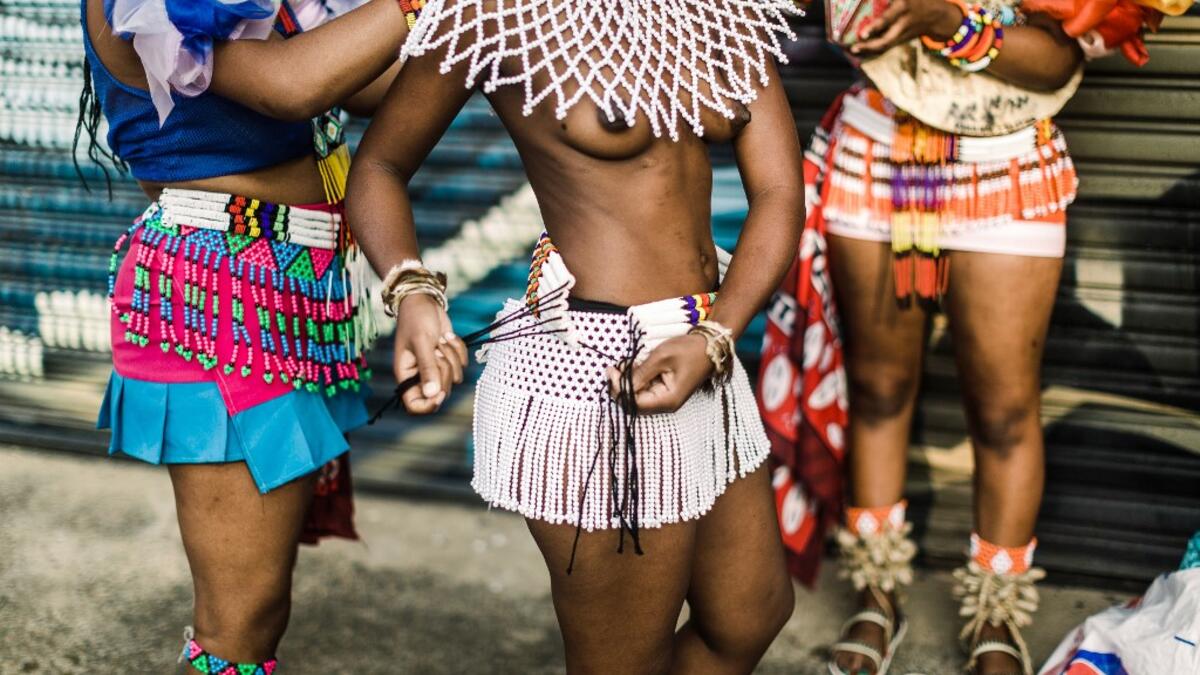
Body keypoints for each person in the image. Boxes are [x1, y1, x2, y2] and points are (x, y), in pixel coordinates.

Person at [346, 2, 807, 672]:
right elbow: (380, 165)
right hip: (600, 375)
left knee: (749, 616)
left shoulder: (722, 11)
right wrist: (413, 290)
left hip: (706, 344)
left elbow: (779, 190)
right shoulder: (494, 13)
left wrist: (715, 335)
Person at [79, 0, 410, 670]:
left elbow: (362, 82)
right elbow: (293, 84)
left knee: (257, 609)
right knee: (240, 622)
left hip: (285, 289)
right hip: (217, 296)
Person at [793, 1, 1091, 673]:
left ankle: (995, 614)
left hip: (1008, 163)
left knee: (1006, 413)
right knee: (877, 390)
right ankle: (876, 592)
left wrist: (947, 22)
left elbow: (1059, 59)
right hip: (877, 151)